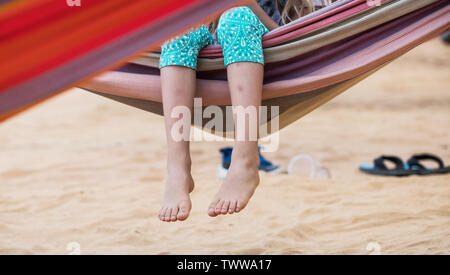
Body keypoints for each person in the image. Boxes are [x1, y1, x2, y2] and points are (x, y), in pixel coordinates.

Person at [158, 0, 330, 222]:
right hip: (213, 48)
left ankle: (245, 159)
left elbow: (297, 41)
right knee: (177, 29)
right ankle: (177, 168)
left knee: (237, 17)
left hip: (271, 48)